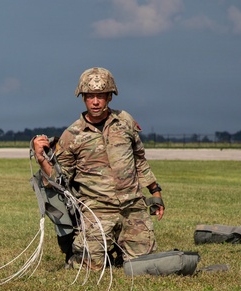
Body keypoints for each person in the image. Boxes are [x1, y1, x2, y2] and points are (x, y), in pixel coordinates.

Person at [32, 67, 164, 270]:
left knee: (142, 267)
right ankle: (83, 251)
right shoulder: (72, 135)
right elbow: (60, 179)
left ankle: (122, 249)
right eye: (90, 96)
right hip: (98, 209)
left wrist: (155, 192)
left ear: (110, 97)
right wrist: (42, 159)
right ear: (83, 97)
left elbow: (139, 160)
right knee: (91, 266)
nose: (95, 102)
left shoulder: (125, 121)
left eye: (101, 96)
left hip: (132, 206)